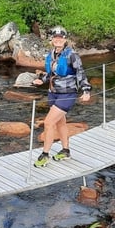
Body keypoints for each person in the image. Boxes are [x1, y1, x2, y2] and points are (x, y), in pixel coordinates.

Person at [32, 26, 92, 167]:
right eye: (55, 38)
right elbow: (52, 73)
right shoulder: (52, 54)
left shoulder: (72, 55)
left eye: (61, 38)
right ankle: (66, 151)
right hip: (53, 93)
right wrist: (42, 80)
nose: (58, 40)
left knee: (48, 123)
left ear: (65, 39)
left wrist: (86, 90)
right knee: (60, 123)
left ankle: (45, 154)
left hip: (67, 94)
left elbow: (80, 73)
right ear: (52, 40)